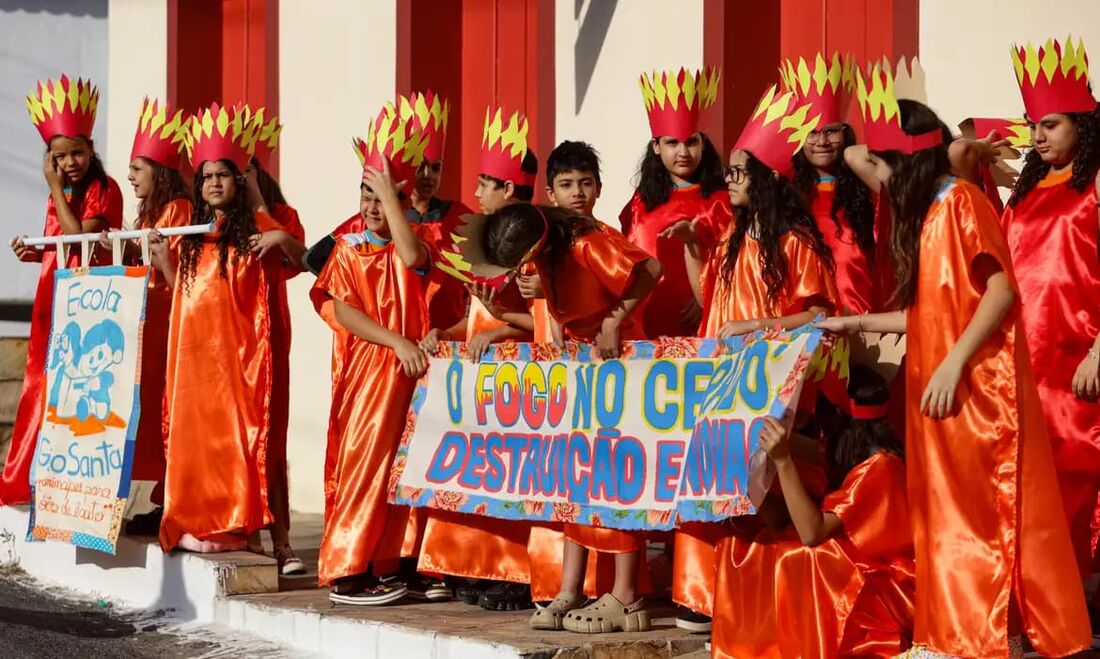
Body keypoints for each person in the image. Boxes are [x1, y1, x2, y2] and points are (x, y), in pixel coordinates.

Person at [820, 63, 1090, 656]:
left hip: (971, 387)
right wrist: (852, 321)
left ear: (912, 165)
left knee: (973, 515)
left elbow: (999, 293)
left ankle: (978, 636)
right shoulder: (931, 213)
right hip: (938, 386)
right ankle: (957, 632)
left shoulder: (962, 202)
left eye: (889, 168)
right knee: (942, 514)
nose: (878, 178)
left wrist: (951, 365)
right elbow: (931, 314)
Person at [665, 84, 837, 633]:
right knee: (706, 485)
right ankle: (703, 594)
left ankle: (751, 594)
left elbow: (815, 317)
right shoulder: (733, 238)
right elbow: (709, 300)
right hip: (718, 384)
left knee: (754, 498)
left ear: (765, 179)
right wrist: (695, 247)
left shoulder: (795, 244)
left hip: (766, 392)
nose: (730, 181)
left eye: (739, 173)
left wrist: (758, 327)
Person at [467, 201, 661, 631]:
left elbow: (650, 271)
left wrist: (614, 320)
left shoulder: (586, 243)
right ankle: (570, 588)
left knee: (616, 477)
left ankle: (628, 598)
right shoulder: (546, 261)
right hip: (576, 369)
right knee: (575, 479)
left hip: (616, 364)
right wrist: (500, 315)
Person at [156, 103, 305, 554]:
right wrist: (163, 261)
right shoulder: (190, 234)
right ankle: (204, 523)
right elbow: (186, 298)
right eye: (206, 176)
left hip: (241, 366)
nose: (214, 183)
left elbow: (305, 263)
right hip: (196, 367)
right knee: (200, 448)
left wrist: (280, 235)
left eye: (223, 174)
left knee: (248, 446)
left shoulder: (259, 229)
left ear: (240, 180)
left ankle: (254, 531)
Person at [417, 107, 541, 612]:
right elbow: (476, 314)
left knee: (513, 472)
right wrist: (440, 333)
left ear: (509, 190)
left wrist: (498, 335)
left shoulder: (531, 244)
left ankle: (513, 573)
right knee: (474, 469)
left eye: (486, 184)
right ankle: (468, 564)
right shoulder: (477, 239)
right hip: (477, 370)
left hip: (521, 375)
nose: (478, 192)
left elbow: (541, 316)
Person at [712, 366, 914, 658]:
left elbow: (811, 532)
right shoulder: (854, 446)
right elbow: (802, 451)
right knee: (749, 544)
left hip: (887, 584)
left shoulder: (879, 466)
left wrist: (783, 461)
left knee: (808, 557)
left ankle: (804, 649)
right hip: (858, 561)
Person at [1001, 37, 1100, 581]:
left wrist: (1098, 351)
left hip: (1077, 362)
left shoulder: (1095, 187)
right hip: (1024, 364)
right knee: (1030, 486)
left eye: (1052, 124)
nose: (1038, 136)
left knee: (1078, 480)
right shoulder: (1024, 193)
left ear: (1082, 125)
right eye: (1032, 124)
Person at [3, 76, 123, 505]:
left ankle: (71, 488)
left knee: (73, 390)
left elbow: (78, 244)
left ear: (91, 148)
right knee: (39, 385)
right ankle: (29, 479)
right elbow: (57, 245)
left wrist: (54, 188)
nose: (70, 162)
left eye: (77, 152)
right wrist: (32, 251)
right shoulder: (65, 193)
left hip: (86, 306)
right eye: (60, 156)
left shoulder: (104, 191)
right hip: (50, 300)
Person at [105, 98, 191, 536]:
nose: (130, 176)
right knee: (149, 409)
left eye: (137, 168)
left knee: (164, 409)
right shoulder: (151, 212)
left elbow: (171, 271)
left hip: (166, 320)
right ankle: (159, 498)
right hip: (148, 322)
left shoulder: (178, 210)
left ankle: (169, 498)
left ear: (158, 170)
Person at [237, 107, 308, 575]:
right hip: (225, 345)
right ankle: (241, 531)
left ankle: (282, 541)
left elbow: (301, 261)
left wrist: (260, 205)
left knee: (272, 438)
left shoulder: (281, 216)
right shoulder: (213, 221)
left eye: (243, 170)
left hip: (268, 341)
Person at [621, 67, 731, 339]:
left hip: (707, 322)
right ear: (656, 147)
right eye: (672, 143)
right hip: (647, 322)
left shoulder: (723, 201)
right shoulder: (639, 203)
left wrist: (704, 295)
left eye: (691, 142)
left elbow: (738, 263)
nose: (683, 152)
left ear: (703, 144)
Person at [783, 53, 878, 315]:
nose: (822, 141)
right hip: (800, 323)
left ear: (845, 132)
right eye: (812, 132)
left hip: (857, 317)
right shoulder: (785, 192)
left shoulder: (867, 187)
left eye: (831, 131)